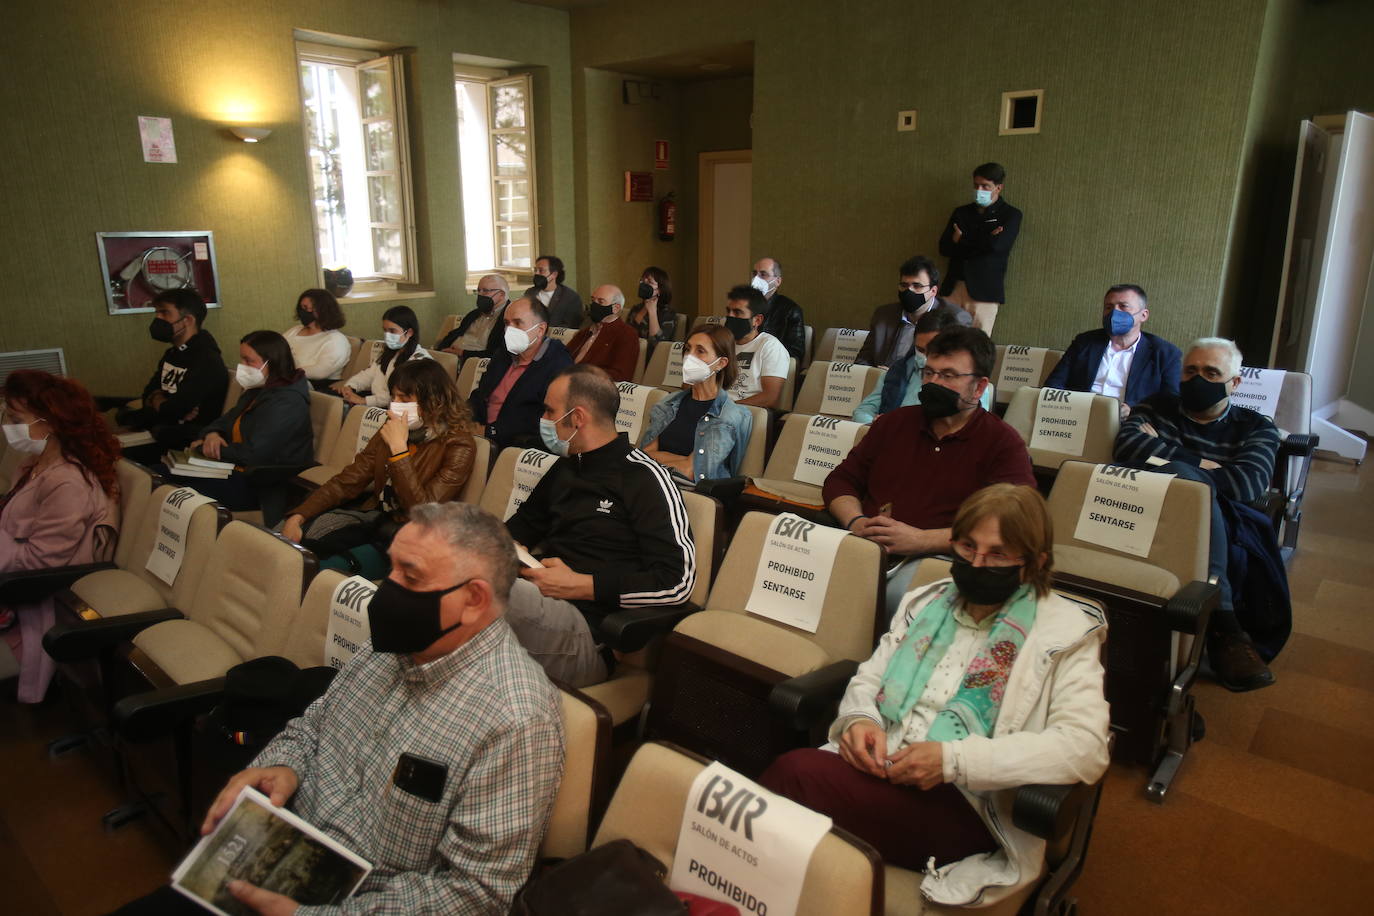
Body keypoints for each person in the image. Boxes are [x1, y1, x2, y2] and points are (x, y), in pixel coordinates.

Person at [109, 502, 564, 915]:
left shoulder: (516, 719)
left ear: (473, 600)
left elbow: (475, 894)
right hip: (284, 853)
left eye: (411, 576)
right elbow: (313, 726)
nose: (387, 590)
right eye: (391, 570)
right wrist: (284, 766)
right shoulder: (390, 646)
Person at [761, 484, 1109, 909]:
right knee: (795, 803)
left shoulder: (1066, 633)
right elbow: (869, 678)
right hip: (883, 767)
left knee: (794, 776)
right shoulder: (927, 602)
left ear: (1034, 563)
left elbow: (1086, 748)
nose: (977, 563)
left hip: (968, 802)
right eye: (967, 546)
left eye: (997, 554)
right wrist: (858, 720)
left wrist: (952, 761)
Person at [505, 365, 696, 688]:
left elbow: (677, 582)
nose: (544, 419)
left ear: (577, 418)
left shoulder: (644, 478)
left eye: (550, 411)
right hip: (538, 600)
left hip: (588, 633)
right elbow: (518, 529)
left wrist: (580, 585)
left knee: (482, 591)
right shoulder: (565, 466)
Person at [825, 326, 1035, 612]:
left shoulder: (1002, 443)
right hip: (863, 543)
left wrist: (921, 540)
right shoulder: (893, 423)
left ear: (980, 387)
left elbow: (1012, 526)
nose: (933, 383)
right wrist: (856, 522)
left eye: (948, 376)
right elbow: (841, 480)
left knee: (894, 600)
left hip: (939, 560)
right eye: (929, 373)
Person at [1113, 337, 1283, 691]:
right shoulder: (1158, 406)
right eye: (1191, 371)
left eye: (1211, 372)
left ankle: (1221, 618)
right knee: (1194, 480)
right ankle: (1221, 619)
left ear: (1234, 382)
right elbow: (1127, 446)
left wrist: (1167, 458)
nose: (1198, 380)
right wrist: (1201, 463)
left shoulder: (1257, 427)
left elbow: (1245, 484)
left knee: (1197, 491)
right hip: (1147, 505)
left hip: (1224, 519)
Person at [281, 360, 476, 578]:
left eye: (405, 398)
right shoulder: (391, 429)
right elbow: (348, 480)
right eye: (393, 397)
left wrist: (399, 451)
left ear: (434, 402)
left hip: (412, 538)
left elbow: (422, 512)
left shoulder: (459, 445)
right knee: (293, 539)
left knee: (326, 568)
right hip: (376, 518)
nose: (395, 405)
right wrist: (299, 515)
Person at [0, 371, 120, 704]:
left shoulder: (67, 481)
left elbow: (41, 562)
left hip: (41, 595)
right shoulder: (32, 465)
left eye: (15, 419)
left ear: (49, 422)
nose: (8, 427)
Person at [162, 330, 313, 513]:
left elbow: (255, 454)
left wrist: (204, 448)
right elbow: (226, 420)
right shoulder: (259, 389)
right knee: (161, 475)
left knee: (176, 491)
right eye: (242, 359)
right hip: (234, 468)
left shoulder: (288, 401)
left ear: (271, 362)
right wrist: (212, 434)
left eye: (249, 361)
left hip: (263, 482)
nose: (243, 366)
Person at [116, 288, 229, 466]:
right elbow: (148, 394)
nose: (158, 319)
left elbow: (175, 409)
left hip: (185, 442)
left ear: (188, 320)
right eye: (157, 313)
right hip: (163, 430)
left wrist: (162, 401)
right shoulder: (172, 353)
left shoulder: (207, 360)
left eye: (165, 313)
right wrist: (159, 399)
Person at [1043, 284, 1182, 419]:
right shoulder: (1084, 342)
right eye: (1108, 307)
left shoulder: (1165, 353)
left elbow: (1171, 403)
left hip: (1129, 424)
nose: (1114, 313)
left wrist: (1134, 410)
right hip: (1078, 417)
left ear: (1143, 315)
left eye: (1123, 306)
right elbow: (1054, 384)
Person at [639, 324, 753, 484]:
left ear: (721, 363)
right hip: (653, 484)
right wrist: (681, 459)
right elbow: (642, 457)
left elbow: (692, 472)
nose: (689, 357)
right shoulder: (667, 403)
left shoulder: (728, 415)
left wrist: (661, 458)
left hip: (693, 494)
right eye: (687, 349)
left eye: (700, 351)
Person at [469, 297, 574, 450]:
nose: (509, 330)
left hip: (513, 444)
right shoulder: (503, 354)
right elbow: (481, 394)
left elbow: (545, 418)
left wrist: (491, 431)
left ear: (540, 329)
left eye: (518, 323)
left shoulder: (558, 364)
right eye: (506, 323)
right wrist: (462, 418)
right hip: (480, 433)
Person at [852, 309, 990, 425]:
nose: (926, 357)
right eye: (920, 349)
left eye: (934, 350)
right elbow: (862, 412)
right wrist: (878, 424)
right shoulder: (899, 370)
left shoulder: (970, 381)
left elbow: (970, 427)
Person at [938, 162, 1023, 334]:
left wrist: (962, 240)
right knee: (943, 341)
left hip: (985, 290)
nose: (979, 189)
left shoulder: (1011, 215)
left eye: (985, 186)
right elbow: (945, 248)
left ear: (998, 187)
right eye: (976, 185)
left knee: (977, 346)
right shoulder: (961, 212)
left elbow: (997, 247)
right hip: (953, 286)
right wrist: (986, 239)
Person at [855, 255, 971, 369]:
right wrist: (877, 375)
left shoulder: (955, 318)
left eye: (917, 286)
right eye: (904, 285)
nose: (909, 291)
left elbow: (952, 369)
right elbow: (863, 360)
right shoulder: (883, 314)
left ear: (933, 291)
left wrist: (897, 376)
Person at [332, 305, 431, 409]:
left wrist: (363, 401)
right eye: (385, 330)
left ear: (409, 332)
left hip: (394, 409)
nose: (387, 335)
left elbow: (400, 397)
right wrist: (351, 386)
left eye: (392, 331)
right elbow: (368, 375)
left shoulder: (419, 361)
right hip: (376, 403)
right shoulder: (389, 353)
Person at [723, 285, 790, 409]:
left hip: (744, 412)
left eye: (737, 312)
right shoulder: (723, 342)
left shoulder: (770, 347)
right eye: (728, 311)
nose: (730, 317)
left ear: (757, 320)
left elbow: (770, 398)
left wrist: (728, 408)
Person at [564, 284, 641, 383]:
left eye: (600, 301)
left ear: (616, 308)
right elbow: (564, 356)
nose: (594, 305)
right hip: (567, 380)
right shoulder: (585, 332)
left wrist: (583, 375)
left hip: (591, 387)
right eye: (593, 300)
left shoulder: (626, 334)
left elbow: (620, 375)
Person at [281, 288, 351, 388]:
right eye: (301, 308)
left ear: (322, 310)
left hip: (314, 388)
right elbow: (275, 350)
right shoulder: (294, 331)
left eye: (307, 308)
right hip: (284, 381)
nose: (303, 312)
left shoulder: (336, 340)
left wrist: (286, 373)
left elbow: (320, 372)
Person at [435, 274, 509, 361]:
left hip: (475, 364)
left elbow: (499, 353)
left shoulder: (510, 318)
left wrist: (463, 353)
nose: (480, 294)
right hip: (451, 357)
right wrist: (441, 349)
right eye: (478, 290)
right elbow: (455, 334)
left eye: (485, 290)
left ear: (501, 295)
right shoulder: (474, 314)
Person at [750, 257, 806, 361]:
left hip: (771, 364)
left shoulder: (791, 310)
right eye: (754, 274)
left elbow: (796, 353)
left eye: (763, 274)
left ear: (777, 281)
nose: (756, 279)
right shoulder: (743, 307)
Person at [525, 254, 583, 329]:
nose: (536, 273)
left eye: (541, 270)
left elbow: (570, 326)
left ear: (554, 274)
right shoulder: (530, 293)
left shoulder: (571, 298)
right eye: (535, 270)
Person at [624, 266, 676, 346]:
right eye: (642, 280)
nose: (644, 284)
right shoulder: (636, 309)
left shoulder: (668, 314)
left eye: (649, 282)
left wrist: (652, 312)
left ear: (659, 290)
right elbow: (625, 335)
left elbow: (657, 344)